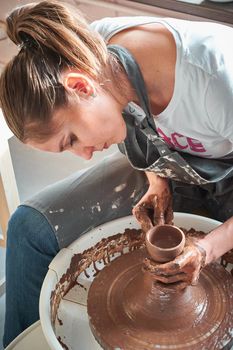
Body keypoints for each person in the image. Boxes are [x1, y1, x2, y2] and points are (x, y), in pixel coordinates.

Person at [0, 0, 233, 346]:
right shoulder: (84, 53)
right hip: (176, 166)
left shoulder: (214, 75)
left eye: (72, 139)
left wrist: (209, 249)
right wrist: (158, 181)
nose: (84, 155)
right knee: (29, 229)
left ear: (81, 87)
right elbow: (149, 134)